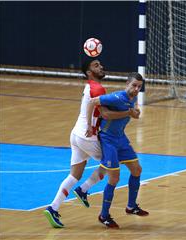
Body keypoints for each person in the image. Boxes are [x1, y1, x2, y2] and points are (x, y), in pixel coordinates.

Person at [43, 59, 137, 228]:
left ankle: (53, 208)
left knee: (74, 176)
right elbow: (106, 114)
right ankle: (84, 189)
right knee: (113, 162)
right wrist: (128, 112)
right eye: (96, 65)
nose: (101, 67)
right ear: (88, 72)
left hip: (76, 135)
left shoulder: (88, 86)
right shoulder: (98, 88)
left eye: (100, 64)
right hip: (88, 137)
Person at [86, 72, 149, 229]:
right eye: (134, 85)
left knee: (137, 170)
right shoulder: (116, 97)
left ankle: (131, 206)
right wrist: (89, 125)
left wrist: (135, 112)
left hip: (121, 138)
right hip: (108, 140)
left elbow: (132, 112)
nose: (136, 89)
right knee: (114, 178)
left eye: (139, 87)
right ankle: (104, 215)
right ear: (127, 83)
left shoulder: (132, 98)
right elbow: (92, 102)